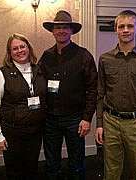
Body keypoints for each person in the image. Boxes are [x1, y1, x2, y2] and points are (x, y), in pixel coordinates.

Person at [95, 10, 136, 180]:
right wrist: (100, 124)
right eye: (121, 26)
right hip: (111, 122)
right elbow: (100, 94)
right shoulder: (104, 59)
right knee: (111, 172)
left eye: (130, 26)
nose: (125, 30)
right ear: (116, 30)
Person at [39, 10, 98, 180]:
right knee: (51, 163)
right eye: (58, 27)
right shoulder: (46, 56)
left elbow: (93, 89)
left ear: (72, 31)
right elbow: (38, 83)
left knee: (76, 162)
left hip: (75, 118)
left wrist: (87, 118)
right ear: (52, 31)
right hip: (50, 119)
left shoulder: (83, 55)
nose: (61, 31)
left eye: (65, 27)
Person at [0, 33, 47, 180]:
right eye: (15, 48)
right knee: (15, 171)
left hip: (35, 131)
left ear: (28, 48)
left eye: (22, 46)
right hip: (12, 132)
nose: (20, 50)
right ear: (10, 53)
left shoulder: (39, 70)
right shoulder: (2, 74)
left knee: (32, 168)